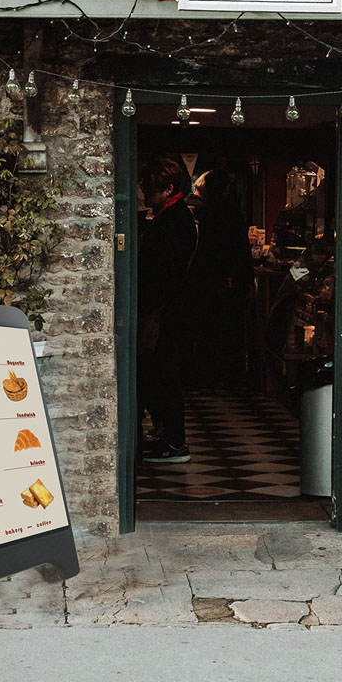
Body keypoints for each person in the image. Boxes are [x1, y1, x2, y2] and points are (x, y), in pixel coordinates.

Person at [137, 157, 197, 464]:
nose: (144, 194)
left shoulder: (173, 221)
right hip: (167, 309)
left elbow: (160, 272)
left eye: (149, 188)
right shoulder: (174, 217)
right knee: (160, 374)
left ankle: (174, 442)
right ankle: (167, 436)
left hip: (165, 311)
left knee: (164, 375)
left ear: (168, 188)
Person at [185, 169, 253, 385]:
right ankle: (228, 375)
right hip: (227, 280)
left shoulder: (201, 214)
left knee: (205, 329)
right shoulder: (233, 213)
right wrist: (245, 278)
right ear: (226, 189)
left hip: (204, 279)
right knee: (228, 329)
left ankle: (204, 374)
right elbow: (241, 249)